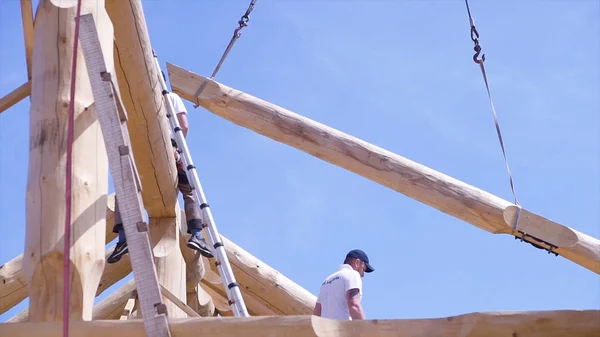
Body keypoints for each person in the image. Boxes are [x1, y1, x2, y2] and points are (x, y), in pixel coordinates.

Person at [107, 73, 213, 264]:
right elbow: (184, 126)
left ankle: (124, 239)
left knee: (124, 192)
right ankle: (197, 234)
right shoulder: (170, 98)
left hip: (138, 150)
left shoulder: (133, 101)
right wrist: (176, 147)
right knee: (190, 191)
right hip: (168, 145)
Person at [313, 249, 374, 320]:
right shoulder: (353, 274)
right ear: (357, 262)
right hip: (342, 329)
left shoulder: (326, 281)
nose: (363, 274)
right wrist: (365, 329)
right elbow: (354, 306)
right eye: (363, 269)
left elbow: (317, 314)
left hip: (325, 330)